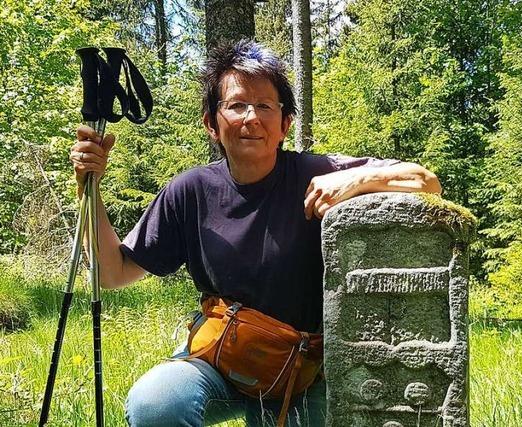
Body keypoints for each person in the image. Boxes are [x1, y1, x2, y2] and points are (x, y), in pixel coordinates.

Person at [70, 40, 441, 427]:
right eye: (236, 105)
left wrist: (359, 178)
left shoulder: (319, 173)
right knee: (156, 403)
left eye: (265, 106)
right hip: (222, 359)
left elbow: (426, 182)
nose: (251, 117)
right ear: (211, 123)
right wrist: (87, 187)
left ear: (285, 124)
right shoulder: (190, 190)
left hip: (305, 373)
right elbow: (113, 272)